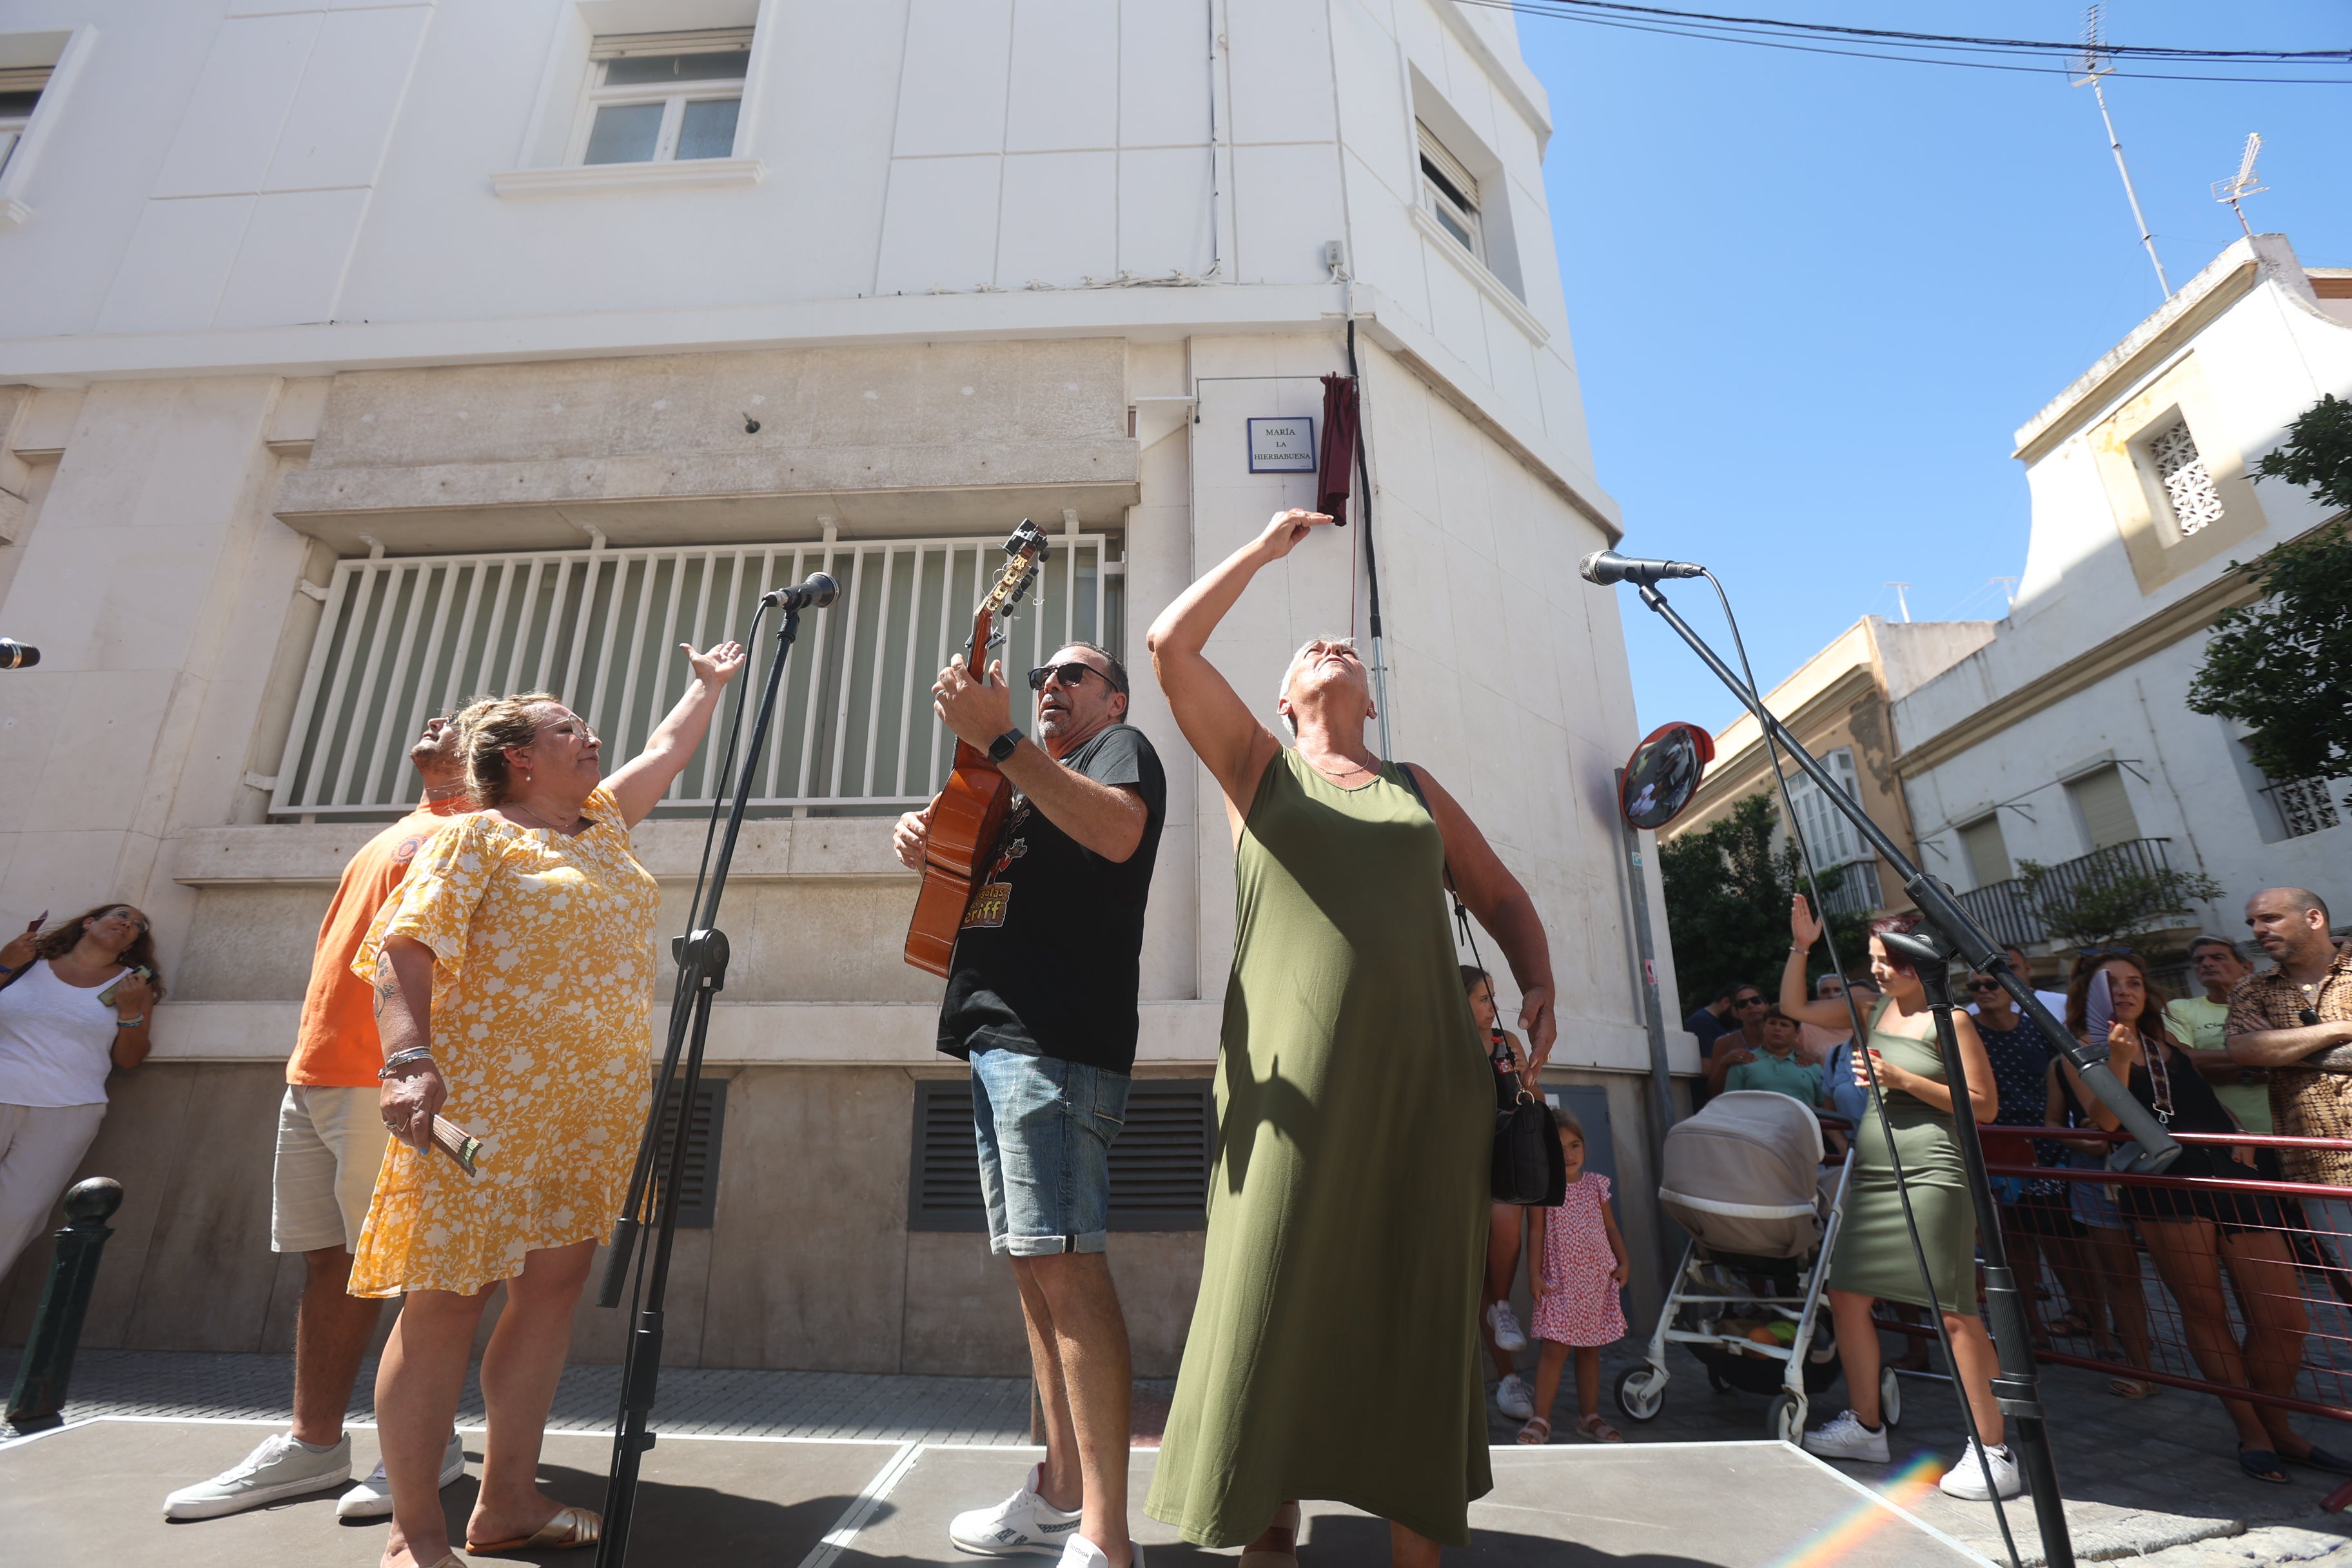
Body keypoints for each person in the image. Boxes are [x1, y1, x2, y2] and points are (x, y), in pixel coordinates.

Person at [1143, 508, 1558, 1568]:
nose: (1328, 649)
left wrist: (1539, 976)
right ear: (1285, 702)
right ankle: (1263, 1539)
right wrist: (1262, 551)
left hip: (1431, 1089)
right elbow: (1167, 647)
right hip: (1296, 1094)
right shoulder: (1257, 770)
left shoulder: (1413, 788)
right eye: (1306, 654)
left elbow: (1500, 894)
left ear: (1367, 694)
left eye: (1345, 653)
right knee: (1273, 1306)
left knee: (1418, 1316)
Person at [361, 643, 743, 1568]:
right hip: (485, 1106)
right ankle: (416, 1536)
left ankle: (508, 1504)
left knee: (551, 1294)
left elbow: (664, 749)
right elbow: (403, 946)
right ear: (520, 759)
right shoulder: (473, 836)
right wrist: (408, 1060)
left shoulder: (603, 824)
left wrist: (707, 689)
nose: (593, 737)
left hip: (590, 1109)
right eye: (569, 727)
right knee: (448, 1298)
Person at [164, 714, 477, 1523]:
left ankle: (427, 1445)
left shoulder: (486, 832)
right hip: (315, 1075)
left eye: (463, 718)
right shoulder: (408, 826)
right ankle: (312, 1445)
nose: (437, 721)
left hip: (396, 1083)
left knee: (412, 1268)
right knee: (329, 1262)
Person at [894, 640, 1165, 1568]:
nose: (1053, 684)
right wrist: (935, 850)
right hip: (999, 1041)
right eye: (1045, 676)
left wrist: (1004, 736)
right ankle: (1056, 1495)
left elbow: (1120, 834)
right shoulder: (1025, 785)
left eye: (1074, 675)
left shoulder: (1117, 753)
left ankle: (1106, 1538)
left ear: (1114, 699)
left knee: (1067, 1270)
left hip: (1053, 1046)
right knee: (1035, 1277)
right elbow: (1000, 884)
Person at [2061, 950, 2345, 1485]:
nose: (2124, 991)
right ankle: (2255, 1431)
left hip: (2230, 1176)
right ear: (2088, 995)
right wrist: (2117, 1060)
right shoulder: (2083, 1052)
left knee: (2285, 1317)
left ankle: (2278, 1425)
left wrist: (2238, 1132)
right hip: (2166, 1186)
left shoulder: (2169, 1045)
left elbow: (2207, 1101)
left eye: (2134, 982)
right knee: (2204, 1312)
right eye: (2110, 984)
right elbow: (2102, 1124)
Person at [1780, 898, 2017, 1500]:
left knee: (1954, 1308)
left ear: (1922, 961)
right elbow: (1792, 1008)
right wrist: (1801, 947)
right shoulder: (1870, 1006)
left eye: (1889, 961)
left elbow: (1983, 1106)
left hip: (1934, 1169)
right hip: (1878, 1171)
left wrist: (1903, 1080)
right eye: (1872, 959)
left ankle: (1995, 1452)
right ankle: (1866, 1427)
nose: (1878, 970)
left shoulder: (1952, 1020)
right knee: (1848, 1292)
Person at [0, 905, 159, 1280]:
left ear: (134, 942)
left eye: (137, 925)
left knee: (18, 1216)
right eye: (120, 915)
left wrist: (131, 1010)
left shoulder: (132, 986)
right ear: (89, 922)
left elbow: (129, 1060)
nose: (127, 923)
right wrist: (4, 965)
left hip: (68, 1110)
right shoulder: (27, 961)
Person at [1966, 970, 2094, 1354]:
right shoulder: (1967, 1033)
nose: (1984, 992)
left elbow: (2066, 1080)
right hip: (2000, 1148)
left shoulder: (2038, 1027)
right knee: (2016, 1244)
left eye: (1992, 984)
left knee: (2066, 1240)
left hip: (2050, 1144)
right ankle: (2032, 1331)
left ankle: (2090, 1318)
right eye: (1975, 987)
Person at [2226, 888, 2352, 1274]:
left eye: (2270, 919)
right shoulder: (2251, 988)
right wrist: (2342, 1028)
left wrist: (2286, 1052)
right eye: (2252, 922)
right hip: (2315, 1163)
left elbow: (2265, 1050)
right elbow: (2244, 1052)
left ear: (2314, 919)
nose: (2258, 929)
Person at [1514, 1110, 1629, 1446]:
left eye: (1575, 1145)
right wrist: (1533, 1275)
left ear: (1584, 1146)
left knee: (1590, 1351)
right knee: (1554, 1350)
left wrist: (1623, 1261)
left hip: (1595, 1282)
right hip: (1560, 1282)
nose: (1568, 1155)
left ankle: (1589, 1417)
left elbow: (1610, 1227)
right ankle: (1541, 1420)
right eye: (1559, 1147)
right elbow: (1535, 1234)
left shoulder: (1596, 1184)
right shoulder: (1544, 1189)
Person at [1464, 966, 1536, 1424]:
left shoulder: (1505, 1040)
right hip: (1458, 1162)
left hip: (1504, 1157)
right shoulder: (1447, 1041)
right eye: (1482, 998)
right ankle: (1502, 1379)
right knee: (1471, 1283)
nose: (1493, 1006)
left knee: (1506, 1232)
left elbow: (1527, 1094)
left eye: (1493, 996)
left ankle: (1508, 1370)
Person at [2166, 936, 2266, 1134]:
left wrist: (2218, 1068)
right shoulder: (2180, 1009)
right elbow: (2181, 1062)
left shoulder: (2271, 1006)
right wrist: (2262, 1060)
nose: (2207, 964)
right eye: (2199, 960)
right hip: (2227, 1133)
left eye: (2218, 957)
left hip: (2290, 1126)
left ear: (2246, 968)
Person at [1717, 1006, 1821, 1104]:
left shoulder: (1812, 1066)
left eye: (1784, 1025)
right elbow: (1730, 1104)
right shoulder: (1744, 1062)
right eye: (1772, 1023)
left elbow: (1826, 1106)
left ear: (1797, 1032)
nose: (1777, 1028)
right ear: (1764, 1027)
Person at [1968, 944, 2068, 1023]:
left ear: (2028, 968)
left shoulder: (2063, 1002)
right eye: (1997, 970)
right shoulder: (1970, 1013)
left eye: (2012, 968)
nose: (2005, 974)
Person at [1685, 982, 1740, 1057]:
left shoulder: (1726, 1022)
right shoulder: (1701, 1023)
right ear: (1726, 1002)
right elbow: (1708, 1066)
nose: (1740, 1016)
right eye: (1738, 1009)